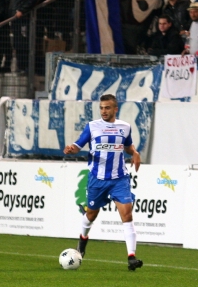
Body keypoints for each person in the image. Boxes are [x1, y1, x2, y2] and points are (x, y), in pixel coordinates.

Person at [63, 94, 143, 271]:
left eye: (107, 108)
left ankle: (131, 257)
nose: (104, 111)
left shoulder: (125, 127)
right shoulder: (92, 127)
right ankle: (82, 242)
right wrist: (71, 149)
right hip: (97, 179)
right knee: (91, 214)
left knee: (127, 214)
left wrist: (135, 153)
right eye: (101, 108)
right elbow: (78, 145)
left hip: (119, 179)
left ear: (116, 109)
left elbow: (128, 147)